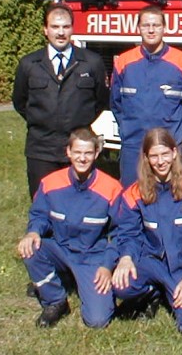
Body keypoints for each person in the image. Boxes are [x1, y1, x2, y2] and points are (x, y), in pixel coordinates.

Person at [17, 128, 122, 328]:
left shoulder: (111, 188)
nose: (82, 159)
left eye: (88, 153)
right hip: (60, 248)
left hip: (91, 256)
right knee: (30, 248)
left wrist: (107, 266)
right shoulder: (50, 183)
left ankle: (74, 278)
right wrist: (33, 232)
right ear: (68, 152)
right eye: (77, 153)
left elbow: (121, 233)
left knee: (97, 320)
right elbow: (40, 215)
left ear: (97, 153)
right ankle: (55, 300)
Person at [111, 127, 182, 334]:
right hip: (149, 262)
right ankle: (152, 291)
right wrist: (127, 258)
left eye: (165, 154)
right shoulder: (134, 193)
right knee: (121, 286)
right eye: (154, 156)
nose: (160, 161)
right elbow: (129, 233)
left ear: (175, 153)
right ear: (146, 158)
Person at [13, 3, 109, 199]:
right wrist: (43, 121)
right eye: (55, 27)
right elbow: (20, 102)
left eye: (65, 27)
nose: (61, 33)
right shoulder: (29, 64)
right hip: (41, 148)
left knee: (79, 203)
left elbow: (101, 100)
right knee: (43, 202)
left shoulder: (91, 62)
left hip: (79, 147)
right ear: (45, 30)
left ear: (72, 29)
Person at [111, 5, 182, 188]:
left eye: (156, 25)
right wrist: (129, 130)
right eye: (145, 25)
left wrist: (176, 133)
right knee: (131, 200)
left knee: (170, 200)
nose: (151, 30)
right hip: (133, 147)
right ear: (138, 28)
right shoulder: (123, 62)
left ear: (164, 28)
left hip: (169, 148)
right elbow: (116, 104)